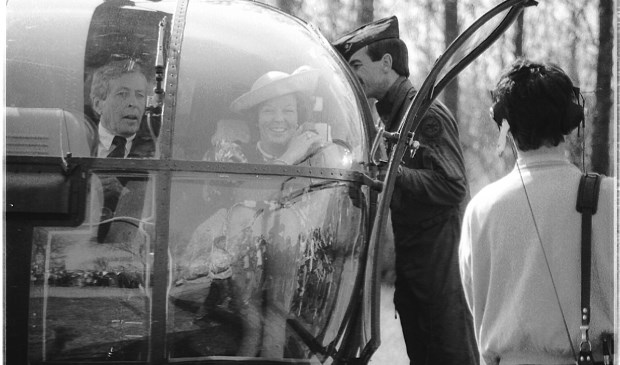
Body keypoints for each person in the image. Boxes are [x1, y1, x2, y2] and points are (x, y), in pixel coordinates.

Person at [333, 16, 479, 365]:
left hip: (441, 284)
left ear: (386, 63)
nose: (352, 76)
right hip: (417, 281)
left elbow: (453, 185)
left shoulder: (424, 114)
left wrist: (389, 171)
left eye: (356, 66)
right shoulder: (393, 118)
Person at [459, 59, 614, 365]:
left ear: (504, 122)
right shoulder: (611, 199)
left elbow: (475, 302)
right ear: (571, 119)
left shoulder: (481, 208)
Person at [89, 58, 155, 242]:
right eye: (122, 94)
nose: (133, 103)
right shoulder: (79, 142)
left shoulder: (155, 152)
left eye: (140, 95)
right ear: (98, 104)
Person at [206, 65, 325, 166]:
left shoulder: (314, 159)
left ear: (299, 116)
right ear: (256, 118)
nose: (278, 119)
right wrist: (290, 156)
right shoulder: (231, 154)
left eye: (288, 111)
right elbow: (248, 194)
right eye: (268, 111)